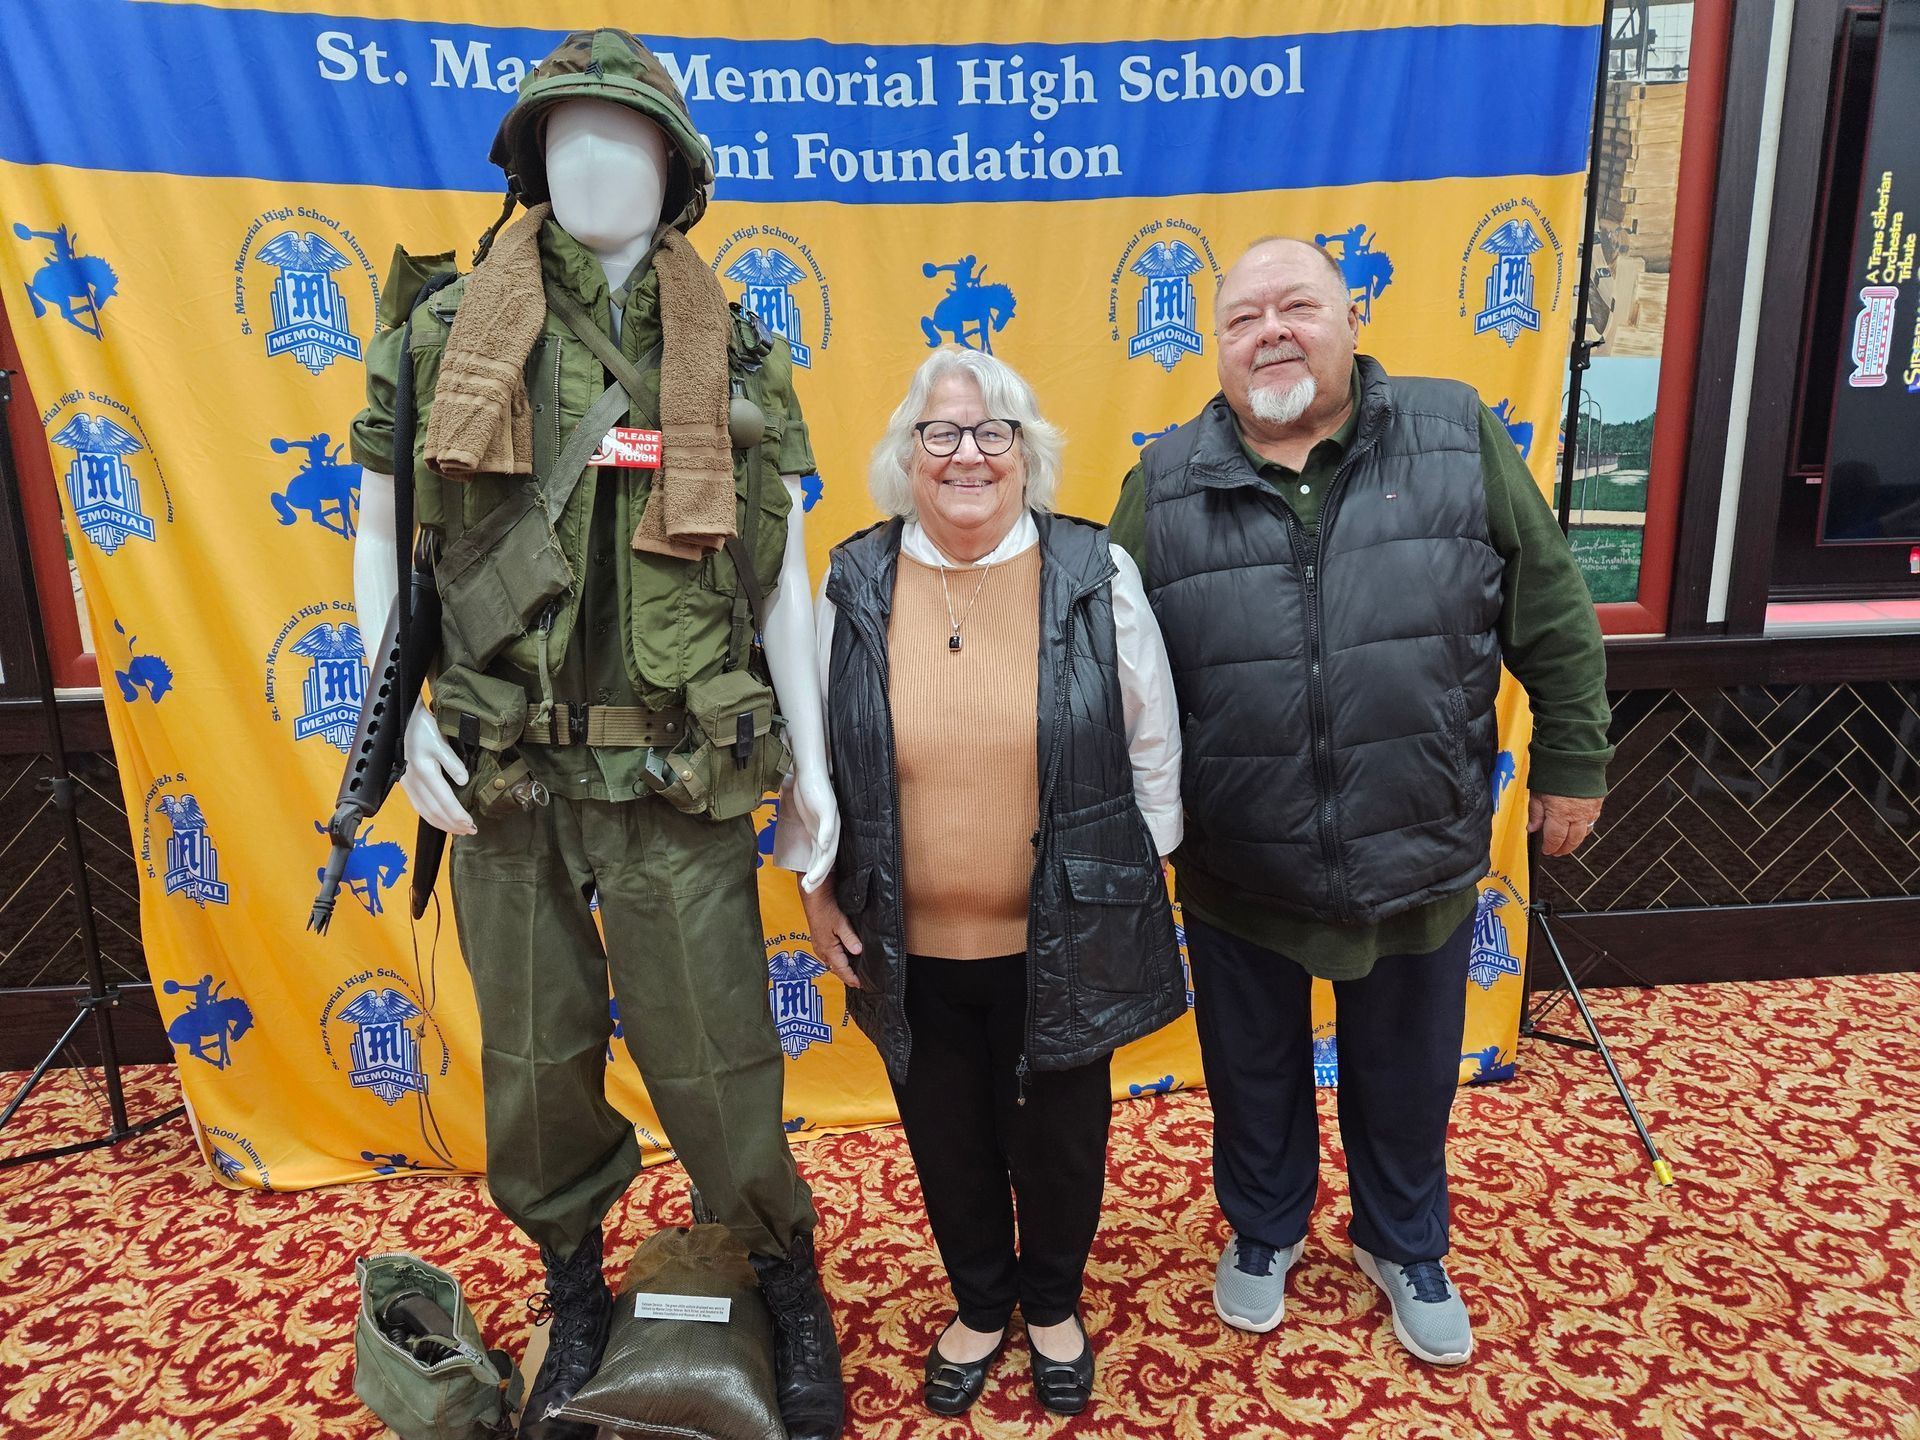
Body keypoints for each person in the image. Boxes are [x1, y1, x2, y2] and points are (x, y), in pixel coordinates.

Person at [348, 32, 843, 1440]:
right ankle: (575, 1282)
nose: (589, 162)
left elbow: (784, 576)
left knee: (717, 1048)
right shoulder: (447, 333)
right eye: (562, 140)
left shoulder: (735, 345)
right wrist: (391, 743)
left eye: (621, 140)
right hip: (503, 768)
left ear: (676, 175)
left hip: (677, 768)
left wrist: (812, 769)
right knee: (534, 1058)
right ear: (526, 165)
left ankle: (777, 1273)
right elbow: (382, 536)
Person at [1108, 236, 1612, 1365]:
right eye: (1243, 318)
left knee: (1406, 1066)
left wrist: (1576, 759)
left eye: (1298, 307)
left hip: (1415, 842)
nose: (1271, 332)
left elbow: (1554, 609)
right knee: (1252, 1065)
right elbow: (1110, 669)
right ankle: (1262, 1228)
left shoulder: (1452, 431)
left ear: (1349, 320)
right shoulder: (1166, 479)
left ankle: (1404, 1239)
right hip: (1240, 857)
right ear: (1216, 346)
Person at [779, 347, 1187, 1417]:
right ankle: (979, 1300)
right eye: (942, 434)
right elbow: (808, 751)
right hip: (903, 938)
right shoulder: (854, 580)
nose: (969, 454)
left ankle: (1052, 1303)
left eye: (993, 432)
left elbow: (1153, 742)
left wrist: (1133, 887)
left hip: (1064, 930)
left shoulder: (1095, 571)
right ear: (906, 458)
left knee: (1061, 1136)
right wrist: (816, 887)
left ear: (1026, 454)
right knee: (946, 1135)